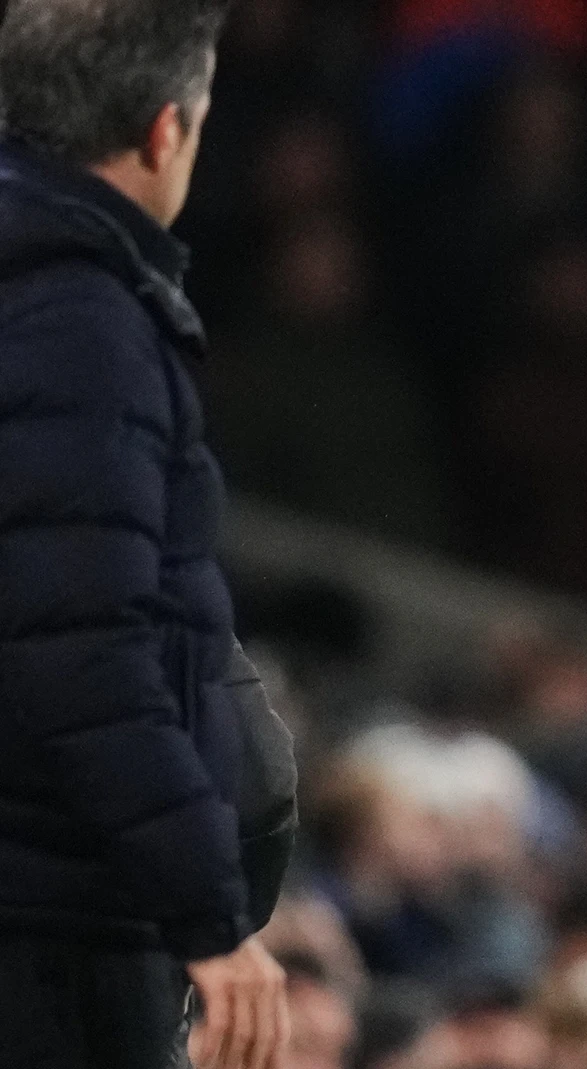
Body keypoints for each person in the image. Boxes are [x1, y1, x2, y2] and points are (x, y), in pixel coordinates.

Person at [0, 2, 288, 1067]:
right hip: (53, 933)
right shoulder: (76, 319)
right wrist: (207, 919)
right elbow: (84, 645)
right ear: (166, 130)